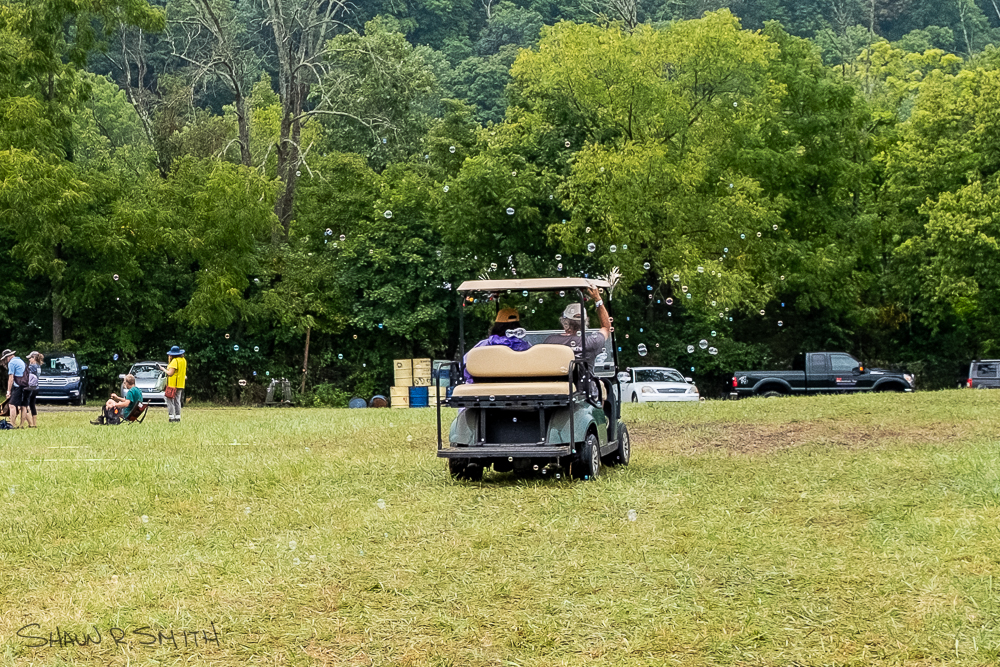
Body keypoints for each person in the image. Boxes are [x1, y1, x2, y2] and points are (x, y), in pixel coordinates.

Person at [543, 286, 612, 368]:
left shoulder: (551, 341)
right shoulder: (592, 342)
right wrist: (598, 299)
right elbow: (607, 328)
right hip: (584, 380)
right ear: (585, 322)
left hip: (558, 380)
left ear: (565, 323)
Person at [463, 308, 532, 383]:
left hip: (486, 385)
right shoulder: (526, 346)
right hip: (521, 384)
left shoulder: (484, 345)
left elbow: (465, 364)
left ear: (497, 325)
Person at [2, 349, 29, 429]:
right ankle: (22, 425)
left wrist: (8, 391)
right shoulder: (20, 360)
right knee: (23, 406)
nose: (6, 360)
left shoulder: (12, 363)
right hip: (26, 385)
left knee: (12, 405)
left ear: (8, 356)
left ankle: (12, 424)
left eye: (5, 358)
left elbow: (11, 377)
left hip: (18, 386)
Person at [160, 346, 187, 423]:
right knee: (177, 400)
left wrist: (163, 369)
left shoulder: (175, 361)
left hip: (172, 384)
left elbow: (170, 373)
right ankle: (178, 417)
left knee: (169, 400)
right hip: (180, 384)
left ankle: (172, 417)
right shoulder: (183, 360)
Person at [23, 351, 42, 428]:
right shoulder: (38, 366)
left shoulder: (32, 366)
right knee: (32, 405)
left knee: (25, 404)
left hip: (29, 387)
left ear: (34, 358)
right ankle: (34, 423)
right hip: (36, 387)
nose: (29, 360)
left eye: (30, 358)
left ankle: (30, 423)